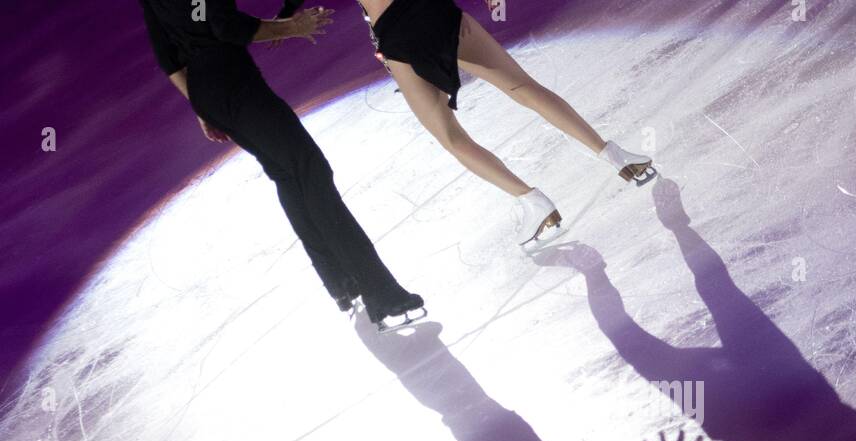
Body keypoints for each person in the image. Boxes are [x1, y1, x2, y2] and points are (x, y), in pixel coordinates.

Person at [137, 1, 435, 333]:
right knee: (311, 170)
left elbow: (168, 55)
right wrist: (293, 27)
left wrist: (201, 106)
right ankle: (382, 294)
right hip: (235, 86)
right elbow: (227, 27)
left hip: (210, 91)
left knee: (289, 175)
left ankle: (340, 282)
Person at [347, 0, 657, 247]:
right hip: (433, 10)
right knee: (524, 88)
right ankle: (615, 156)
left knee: (450, 136)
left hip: (398, 34)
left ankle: (533, 202)